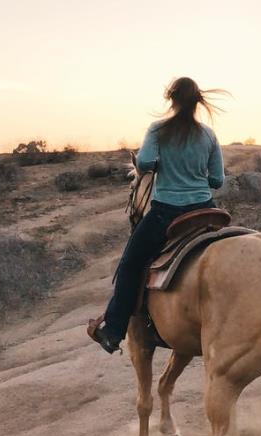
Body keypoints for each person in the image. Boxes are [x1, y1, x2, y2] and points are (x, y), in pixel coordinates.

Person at [89, 77, 226, 354]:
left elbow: (144, 164)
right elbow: (217, 180)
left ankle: (113, 331)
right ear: (197, 101)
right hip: (207, 211)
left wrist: (164, 163)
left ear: (171, 100)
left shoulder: (158, 130)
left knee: (129, 264)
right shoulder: (209, 135)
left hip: (168, 213)